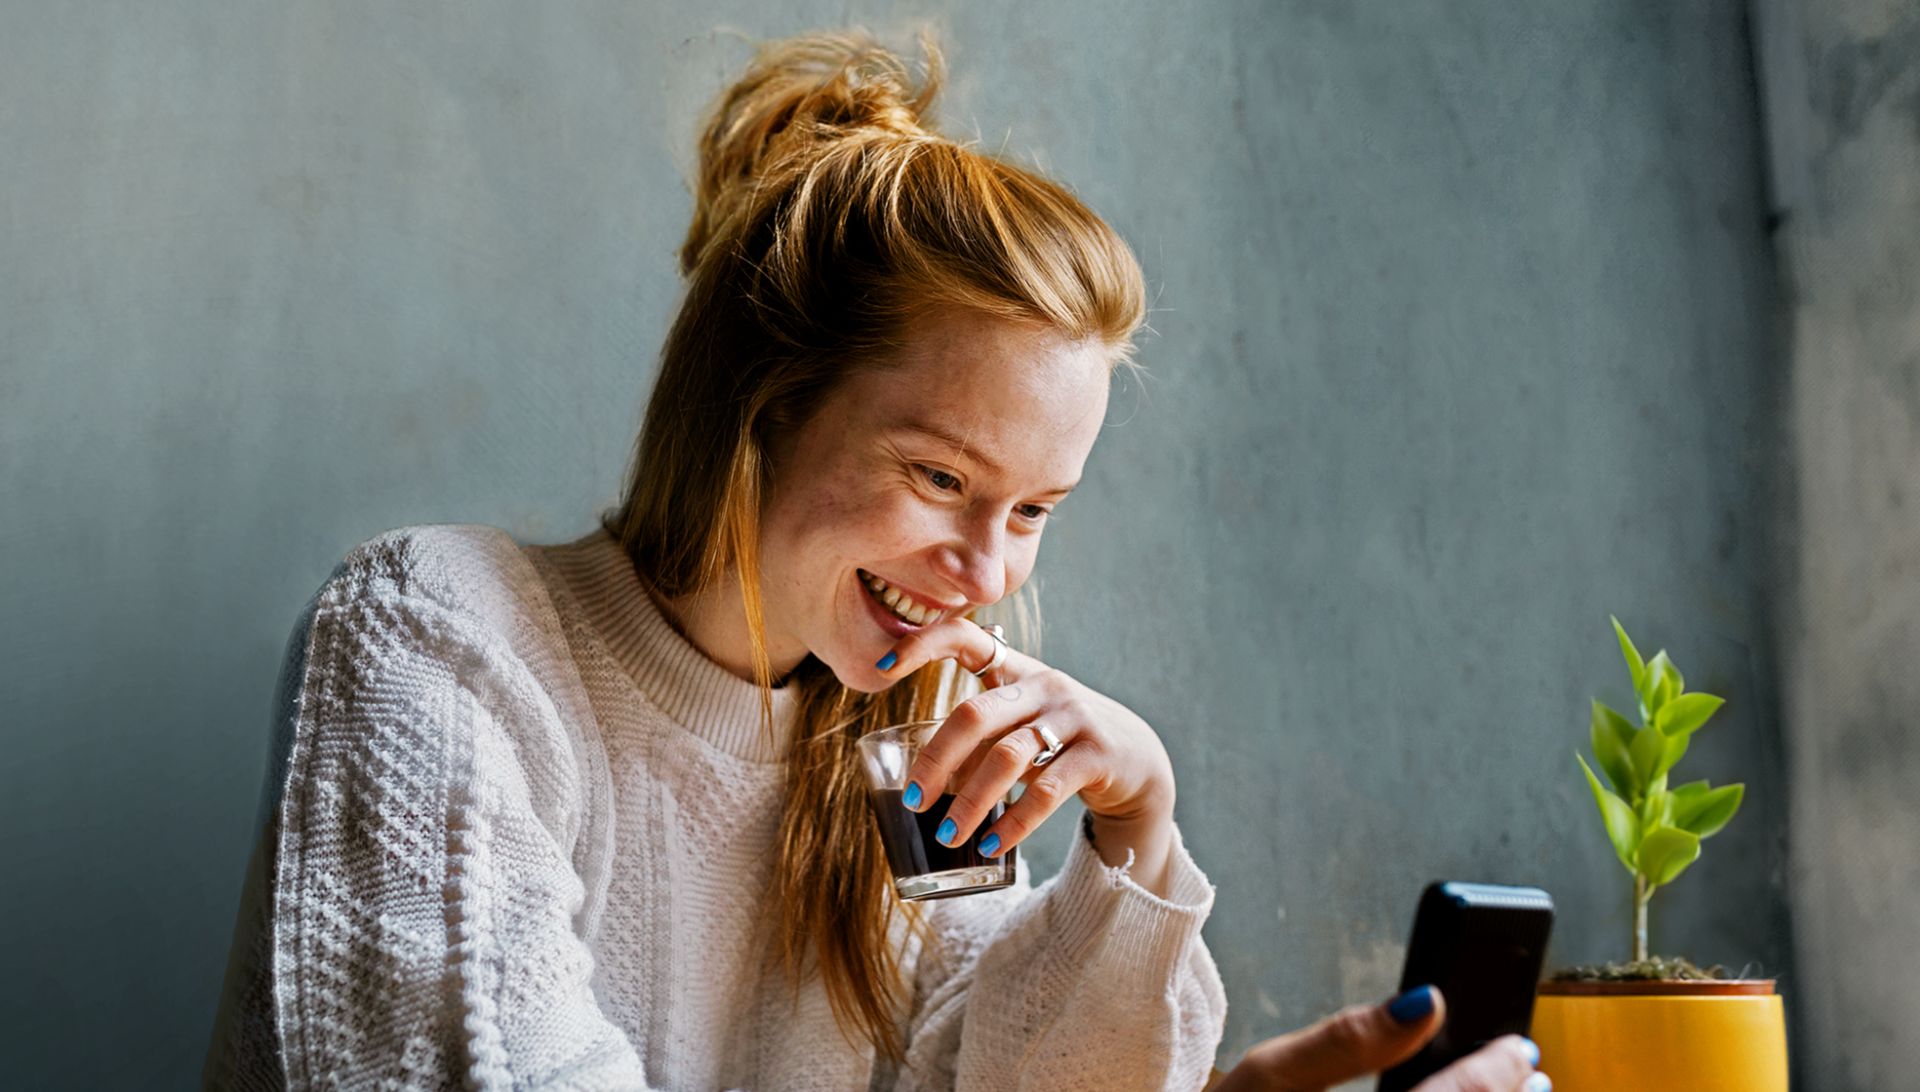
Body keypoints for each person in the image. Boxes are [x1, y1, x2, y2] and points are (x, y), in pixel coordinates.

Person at [203, 28, 1549, 1092]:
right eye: (942, 479)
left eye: (1035, 509)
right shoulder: (443, 636)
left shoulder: (912, 755)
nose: (988, 572)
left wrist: (1136, 831)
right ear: (762, 409)